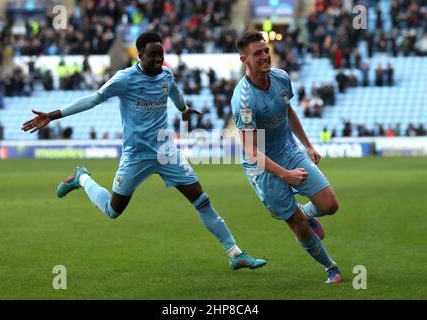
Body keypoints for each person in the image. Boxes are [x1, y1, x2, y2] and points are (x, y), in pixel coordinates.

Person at [21, 32, 266, 271]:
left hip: (166, 152)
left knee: (201, 199)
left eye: (161, 54)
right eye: (153, 56)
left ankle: (235, 254)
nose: (159, 59)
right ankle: (81, 178)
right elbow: (94, 99)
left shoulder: (166, 75)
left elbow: (174, 93)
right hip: (136, 156)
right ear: (140, 56)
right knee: (113, 211)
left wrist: (184, 109)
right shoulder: (124, 79)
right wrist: (53, 115)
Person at [231, 31, 341, 283]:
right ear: (244, 59)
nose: (264, 56)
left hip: (289, 152)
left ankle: (305, 211)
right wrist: (285, 175)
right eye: (257, 53)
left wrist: (308, 145)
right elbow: (251, 151)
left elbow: (288, 112)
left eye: (265, 50)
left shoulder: (281, 78)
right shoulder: (243, 101)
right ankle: (330, 267)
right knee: (299, 225)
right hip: (262, 169)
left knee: (330, 205)